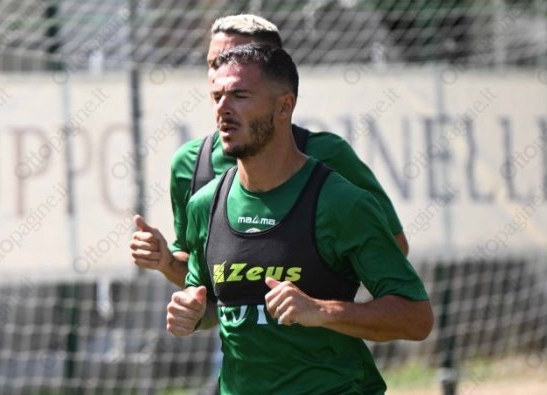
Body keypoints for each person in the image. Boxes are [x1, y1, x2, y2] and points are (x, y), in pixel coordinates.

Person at [166, 43, 433, 394]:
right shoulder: (205, 204)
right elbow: (211, 303)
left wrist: (321, 310)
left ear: (284, 106)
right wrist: (191, 313)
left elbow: (416, 318)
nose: (223, 109)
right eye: (217, 97)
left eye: (239, 96)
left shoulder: (341, 202)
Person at [130, 14, 408, 288]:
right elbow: (199, 281)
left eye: (237, 58)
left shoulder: (328, 154)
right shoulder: (190, 163)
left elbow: (393, 249)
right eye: (213, 63)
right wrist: (166, 262)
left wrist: (321, 302)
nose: (221, 72)